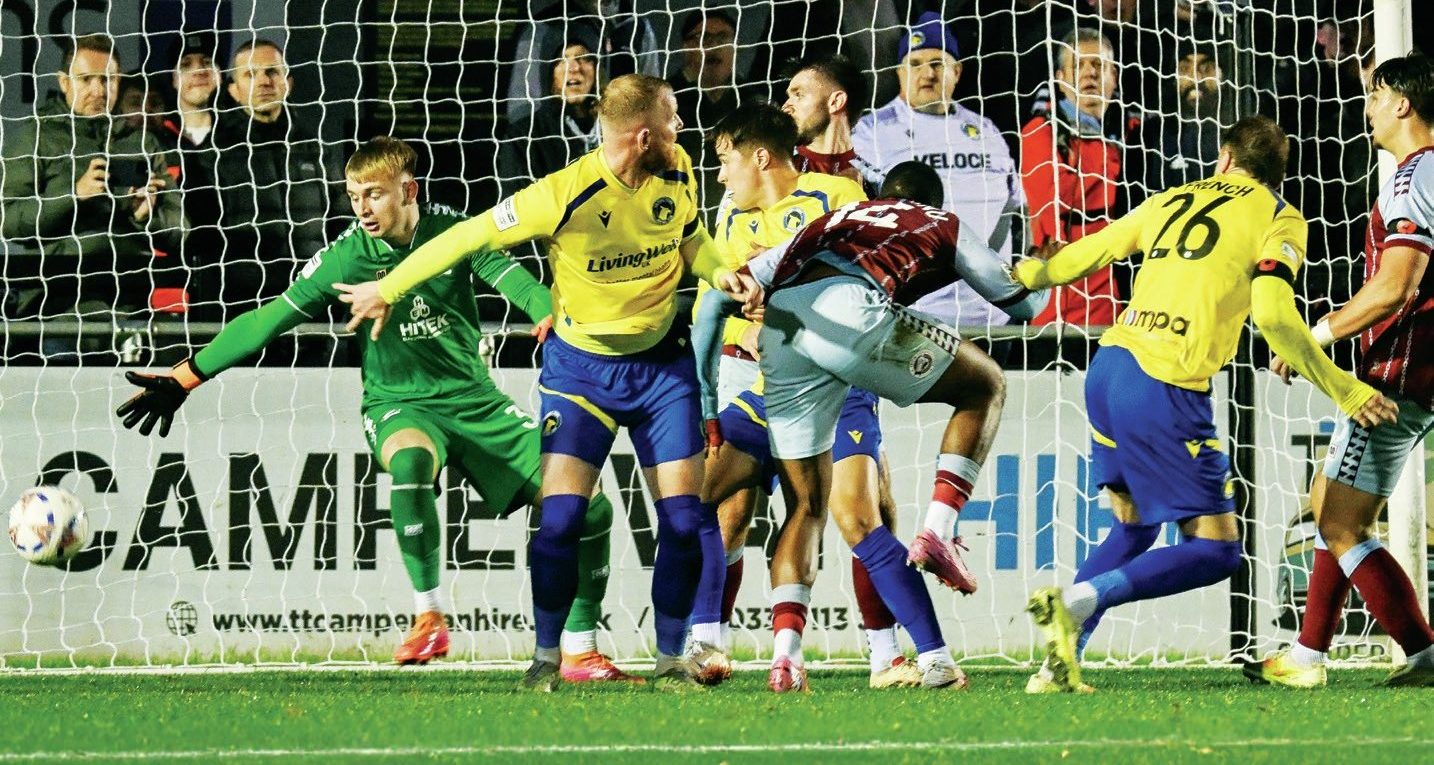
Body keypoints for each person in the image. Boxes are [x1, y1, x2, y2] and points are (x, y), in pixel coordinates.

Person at [113, 136, 631, 681]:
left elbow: (519, 285)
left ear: (409, 190)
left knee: (590, 504)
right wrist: (188, 374)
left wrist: (548, 313)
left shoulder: (454, 232)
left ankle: (579, 649)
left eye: (374, 195)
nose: (361, 208)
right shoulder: (346, 254)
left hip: (476, 403)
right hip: (398, 404)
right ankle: (428, 614)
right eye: (353, 195)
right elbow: (269, 320)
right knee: (408, 464)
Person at [335, 75, 745, 691]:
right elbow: (464, 237)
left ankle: (670, 661)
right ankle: (548, 658)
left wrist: (723, 275)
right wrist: (387, 287)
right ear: (642, 136)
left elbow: (692, 241)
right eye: (673, 119)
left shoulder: (679, 170)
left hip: (663, 368)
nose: (682, 128)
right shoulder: (560, 194)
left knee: (685, 520)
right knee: (559, 521)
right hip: (582, 373)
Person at [1011, 116, 1399, 694]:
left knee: (1134, 523)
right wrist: (1343, 386)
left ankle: (1057, 665)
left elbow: (1091, 252)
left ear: (1223, 158)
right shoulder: (1278, 215)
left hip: (1108, 367)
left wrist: (1027, 273)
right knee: (1216, 551)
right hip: (1164, 383)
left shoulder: (1172, 197)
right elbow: (1270, 313)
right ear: (1279, 174)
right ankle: (1073, 602)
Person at [715, 161, 1052, 690]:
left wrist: (709, 394)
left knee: (792, 507)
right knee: (985, 385)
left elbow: (737, 289)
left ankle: (758, 652)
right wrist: (1040, 273)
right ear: (933, 200)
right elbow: (1023, 304)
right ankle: (938, 538)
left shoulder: (839, 214)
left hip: (777, 349)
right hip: (853, 327)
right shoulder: (942, 222)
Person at [1248, 53, 1434, 689]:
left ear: (1404, 103)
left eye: (1378, 97)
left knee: (1338, 522)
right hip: (1415, 367)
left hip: (1397, 370)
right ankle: (1308, 652)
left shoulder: (1415, 175)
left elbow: (1395, 286)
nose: (1370, 108)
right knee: (1331, 501)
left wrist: (1314, 337)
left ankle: (1419, 650)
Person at [679, 105, 877, 691]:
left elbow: (868, 272)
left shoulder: (837, 193)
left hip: (828, 374)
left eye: (724, 161)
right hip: (746, 374)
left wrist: (796, 305)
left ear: (759, 156)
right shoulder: (731, 222)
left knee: (852, 513)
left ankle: (890, 652)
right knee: (715, 504)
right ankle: (708, 639)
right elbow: (709, 307)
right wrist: (703, 386)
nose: (719, 176)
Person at [854, 12, 1022, 330]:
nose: (926, 73)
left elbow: (1017, 207)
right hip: (913, 314)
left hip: (993, 315)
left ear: (956, 72)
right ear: (899, 72)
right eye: (914, 64)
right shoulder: (870, 131)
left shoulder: (985, 130)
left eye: (937, 63)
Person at [0, 34, 183, 327]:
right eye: (86, 79)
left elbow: (180, 231)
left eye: (107, 79)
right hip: (56, 302)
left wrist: (146, 215)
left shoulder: (144, 143)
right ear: (63, 82)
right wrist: (74, 196)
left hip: (131, 299)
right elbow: (8, 222)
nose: (98, 90)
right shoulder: (35, 138)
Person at [211, 38, 342, 319]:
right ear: (233, 91)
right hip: (246, 308)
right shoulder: (215, 155)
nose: (263, 81)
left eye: (272, 71)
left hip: (313, 305)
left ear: (288, 82)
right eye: (250, 74)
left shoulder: (317, 150)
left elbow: (342, 225)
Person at [1019, 26, 1125, 326]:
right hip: (1062, 302)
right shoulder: (1043, 131)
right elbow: (1052, 205)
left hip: (1113, 296)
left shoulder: (1130, 134)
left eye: (1099, 65)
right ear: (1060, 78)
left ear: (1113, 77)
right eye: (1078, 65)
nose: (1089, 73)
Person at [503, 0, 659, 124]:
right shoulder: (543, 27)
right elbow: (522, 107)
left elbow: (651, 98)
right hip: (557, 146)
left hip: (619, 146)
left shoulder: (637, 28)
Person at [158, 31, 225, 315]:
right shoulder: (153, 141)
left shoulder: (243, 136)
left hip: (231, 288)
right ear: (174, 79)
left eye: (207, 62)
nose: (198, 70)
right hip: (168, 289)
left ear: (221, 74)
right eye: (186, 64)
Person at [668, 9, 754, 219]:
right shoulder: (666, 99)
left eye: (723, 37)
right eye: (705, 37)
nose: (714, 45)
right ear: (687, 46)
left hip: (742, 213)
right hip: (681, 215)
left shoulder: (753, 98)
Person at [498, 32, 602, 198]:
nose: (574, 68)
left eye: (584, 58)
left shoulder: (619, 130)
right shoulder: (524, 136)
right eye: (562, 60)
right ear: (549, 73)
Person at [783, 54, 877, 186]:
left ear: (836, 102)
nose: (785, 106)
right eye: (789, 96)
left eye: (798, 95)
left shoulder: (874, 184)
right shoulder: (773, 169)